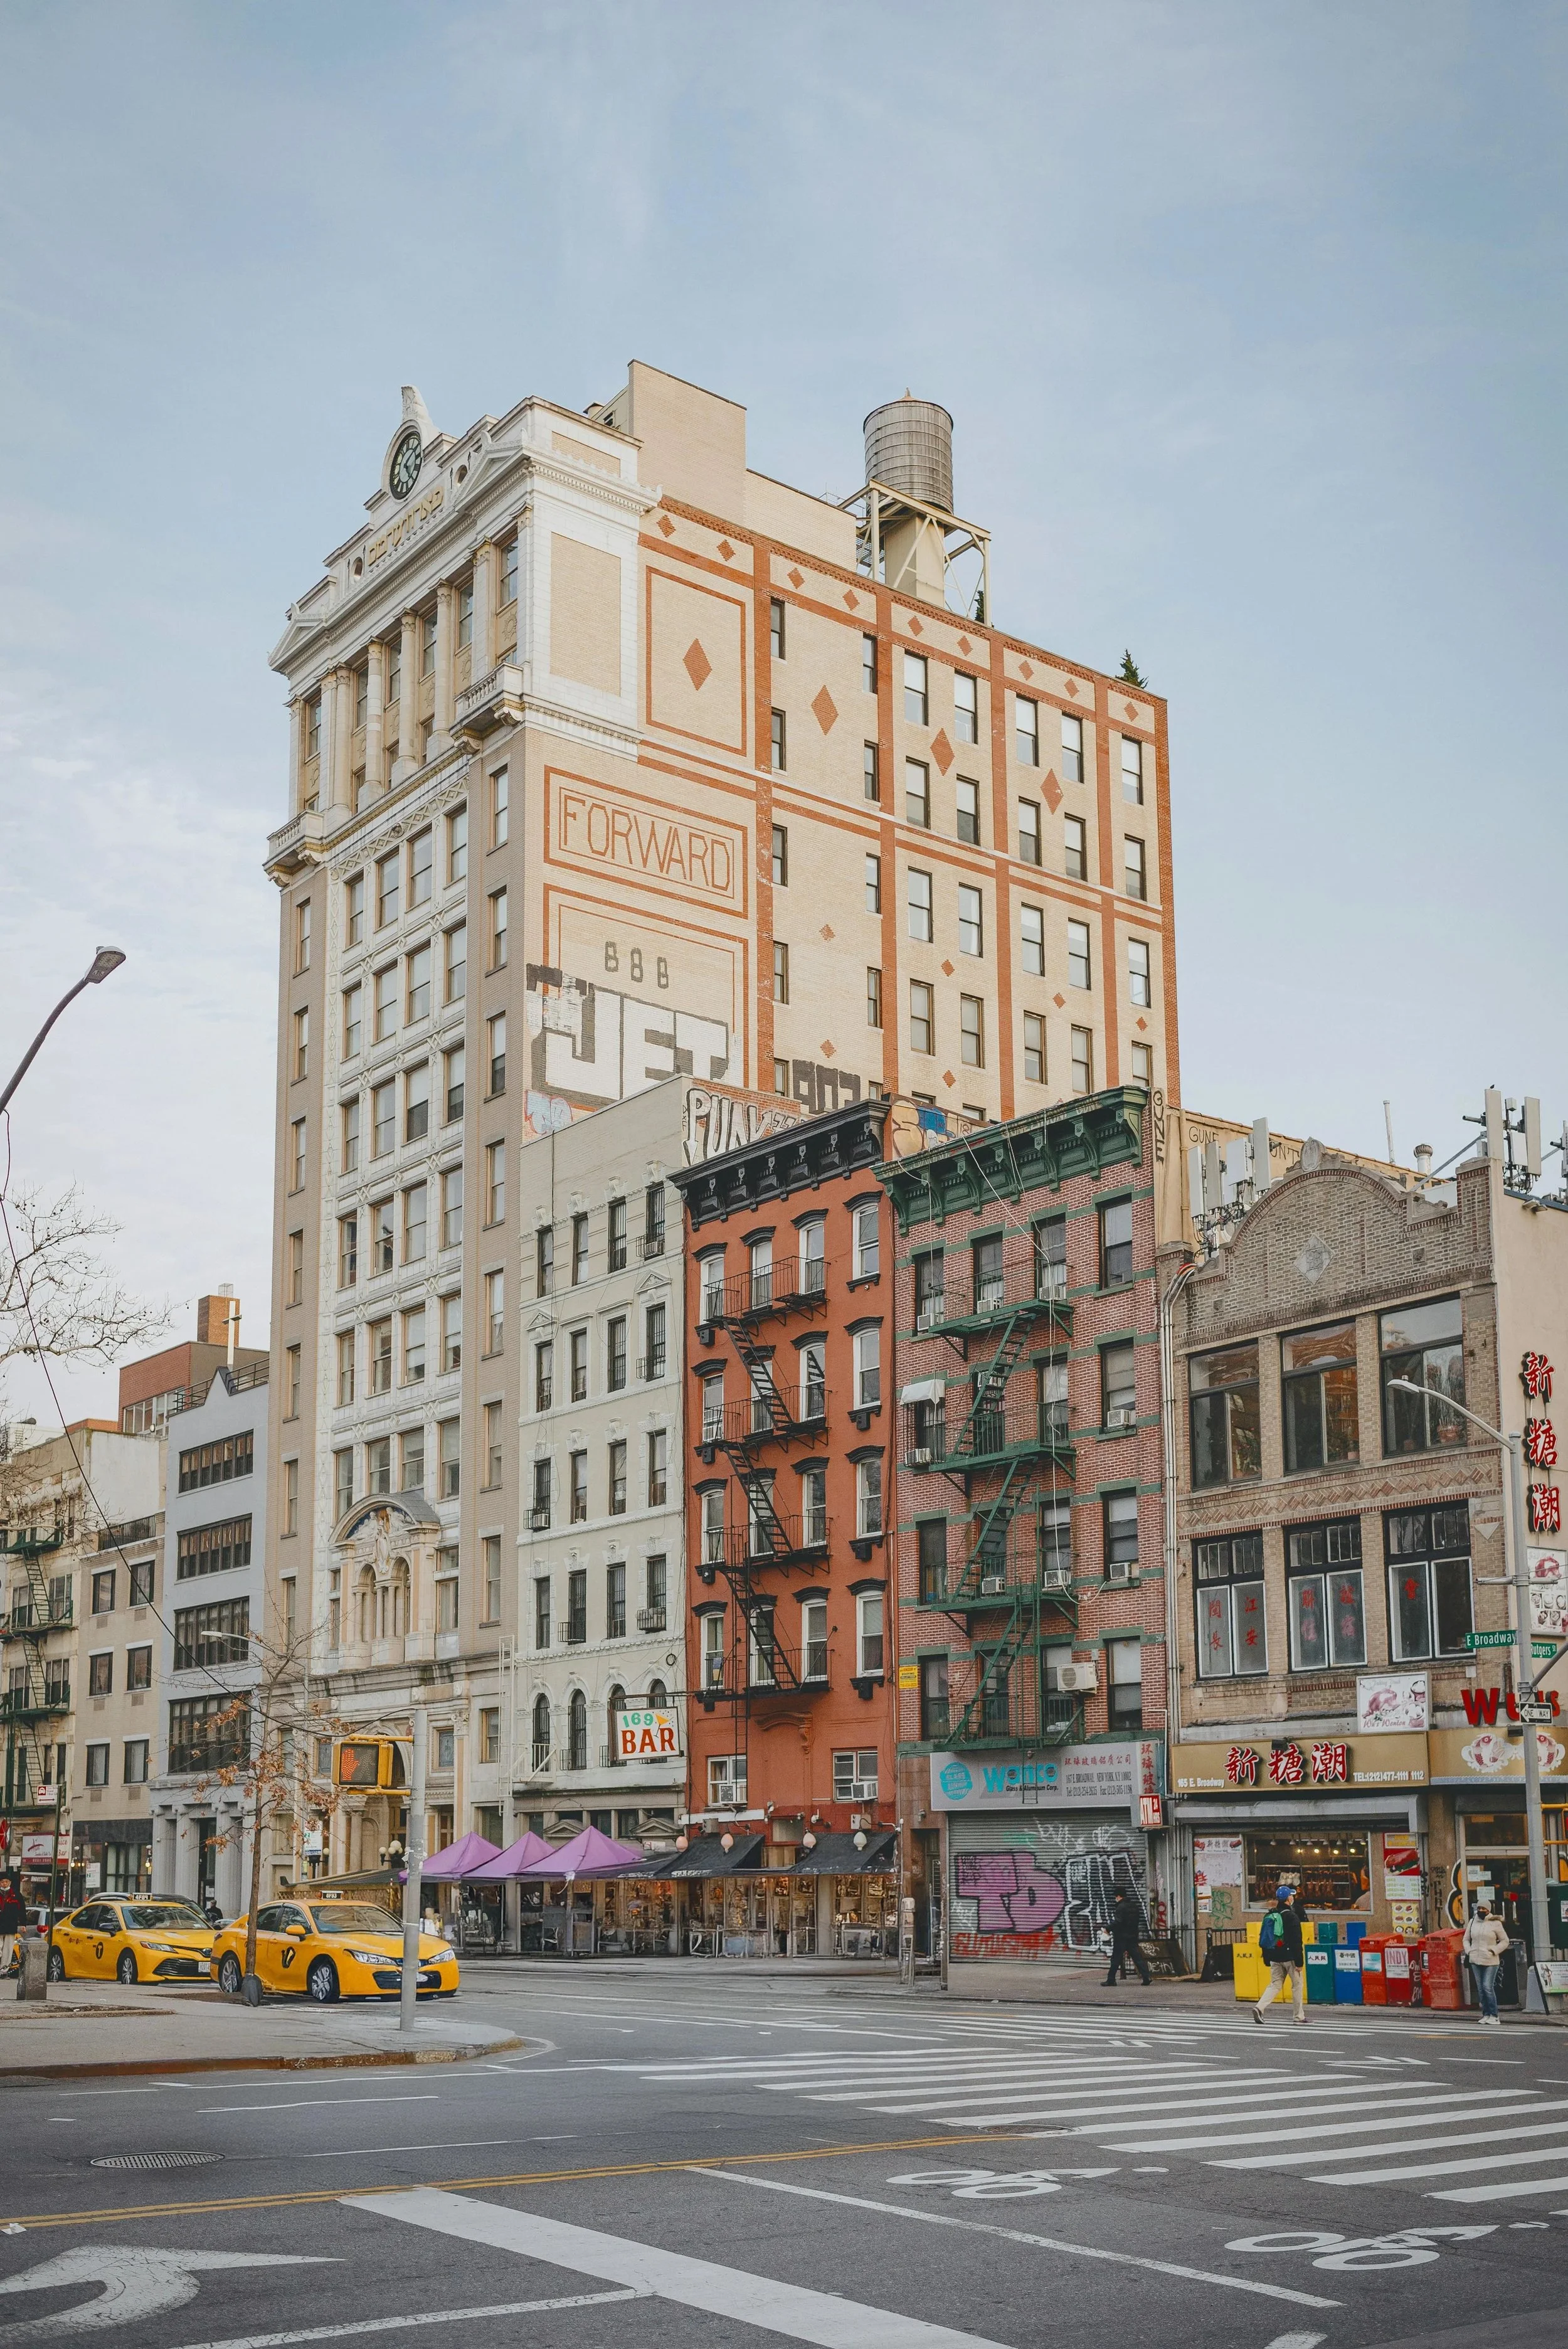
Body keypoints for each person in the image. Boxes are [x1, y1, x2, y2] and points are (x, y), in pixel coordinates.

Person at [1253, 1884, 1307, 2024]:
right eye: (1292, 1895)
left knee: (1275, 1984)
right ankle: (1298, 2016)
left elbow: (1264, 1937)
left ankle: (1260, 2008)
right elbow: (1296, 1941)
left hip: (1275, 1957)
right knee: (1297, 1986)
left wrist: (1267, 1958)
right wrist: (1300, 1963)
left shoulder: (1270, 1914)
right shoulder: (1291, 1916)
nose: (1293, 1897)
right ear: (1288, 1899)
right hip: (1290, 1958)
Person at [1463, 1899, 1510, 2028]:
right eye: (1479, 1908)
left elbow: (1505, 1941)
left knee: (1487, 1987)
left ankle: (1494, 2015)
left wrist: (1494, 1951)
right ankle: (1486, 2014)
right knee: (1480, 1989)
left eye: (1484, 1908)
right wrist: (1469, 1951)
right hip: (1475, 1959)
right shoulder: (1472, 1922)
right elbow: (1466, 1939)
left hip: (1491, 1960)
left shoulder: (1495, 1923)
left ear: (1489, 1910)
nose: (1481, 1911)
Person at [1103, 1885, 1152, 1986]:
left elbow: (1118, 1922)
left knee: (1116, 1958)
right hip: (1133, 1935)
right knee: (1137, 1957)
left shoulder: (1121, 1907)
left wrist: (1107, 1928)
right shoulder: (1134, 1906)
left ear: (1118, 1896)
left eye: (1115, 1897)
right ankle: (1147, 1977)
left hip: (1121, 1937)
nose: (1115, 1899)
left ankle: (1111, 1980)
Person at [0, 1879, 23, 1978]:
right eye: (2, 1882)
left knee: (8, 1950)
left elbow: (22, 1910)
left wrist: (23, 1924)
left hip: (10, 1926)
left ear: (10, 1882)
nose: (4, 1884)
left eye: (6, 1882)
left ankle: (3, 1971)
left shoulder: (16, 1895)